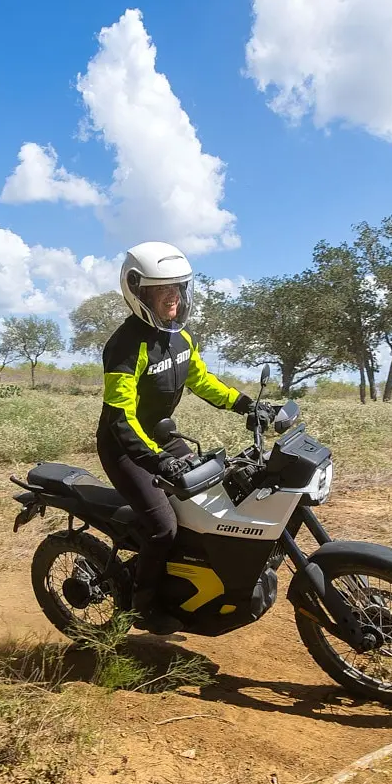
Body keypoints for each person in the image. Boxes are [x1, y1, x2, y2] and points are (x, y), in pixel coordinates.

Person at [97, 240, 273, 635]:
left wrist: (246, 404)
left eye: (177, 288)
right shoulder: (125, 347)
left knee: (218, 496)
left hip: (162, 438)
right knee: (164, 528)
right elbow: (121, 418)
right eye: (162, 290)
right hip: (127, 450)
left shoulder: (181, 337)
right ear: (139, 292)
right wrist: (157, 461)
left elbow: (202, 381)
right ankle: (142, 608)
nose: (172, 297)